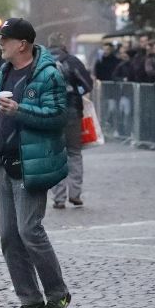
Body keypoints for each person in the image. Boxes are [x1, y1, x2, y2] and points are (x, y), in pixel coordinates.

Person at [0, 18, 72, 308]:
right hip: (5, 162)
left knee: (29, 230)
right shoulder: (4, 72)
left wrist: (20, 110)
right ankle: (30, 298)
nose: (0, 44)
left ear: (22, 44)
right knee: (9, 236)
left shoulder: (47, 74)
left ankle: (57, 292)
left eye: (4, 39)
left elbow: (58, 117)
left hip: (31, 164)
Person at [46, 32, 93, 209]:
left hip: (50, 114)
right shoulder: (72, 61)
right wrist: (75, 93)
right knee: (74, 153)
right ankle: (75, 193)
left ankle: (58, 197)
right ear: (63, 44)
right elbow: (87, 84)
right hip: (72, 112)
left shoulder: (40, 62)